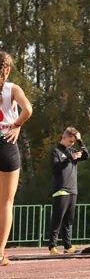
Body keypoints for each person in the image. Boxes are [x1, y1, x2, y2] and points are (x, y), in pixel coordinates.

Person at [0, 52, 32, 267]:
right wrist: (17, 124)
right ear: (8, 69)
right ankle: (0, 253)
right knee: (6, 202)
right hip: (6, 143)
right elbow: (28, 109)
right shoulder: (12, 89)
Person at [47, 127, 88, 255]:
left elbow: (86, 155)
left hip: (73, 189)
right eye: (70, 141)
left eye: (74, 142)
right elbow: (56, 168)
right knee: (57, 219)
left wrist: (80, 141)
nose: (72, 144)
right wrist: (69, 158)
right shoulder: (56, 151)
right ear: (63, 138)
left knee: (69, 220)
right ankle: (52, 246)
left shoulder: (72, 150)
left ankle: (67, 245)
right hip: (61, 190)